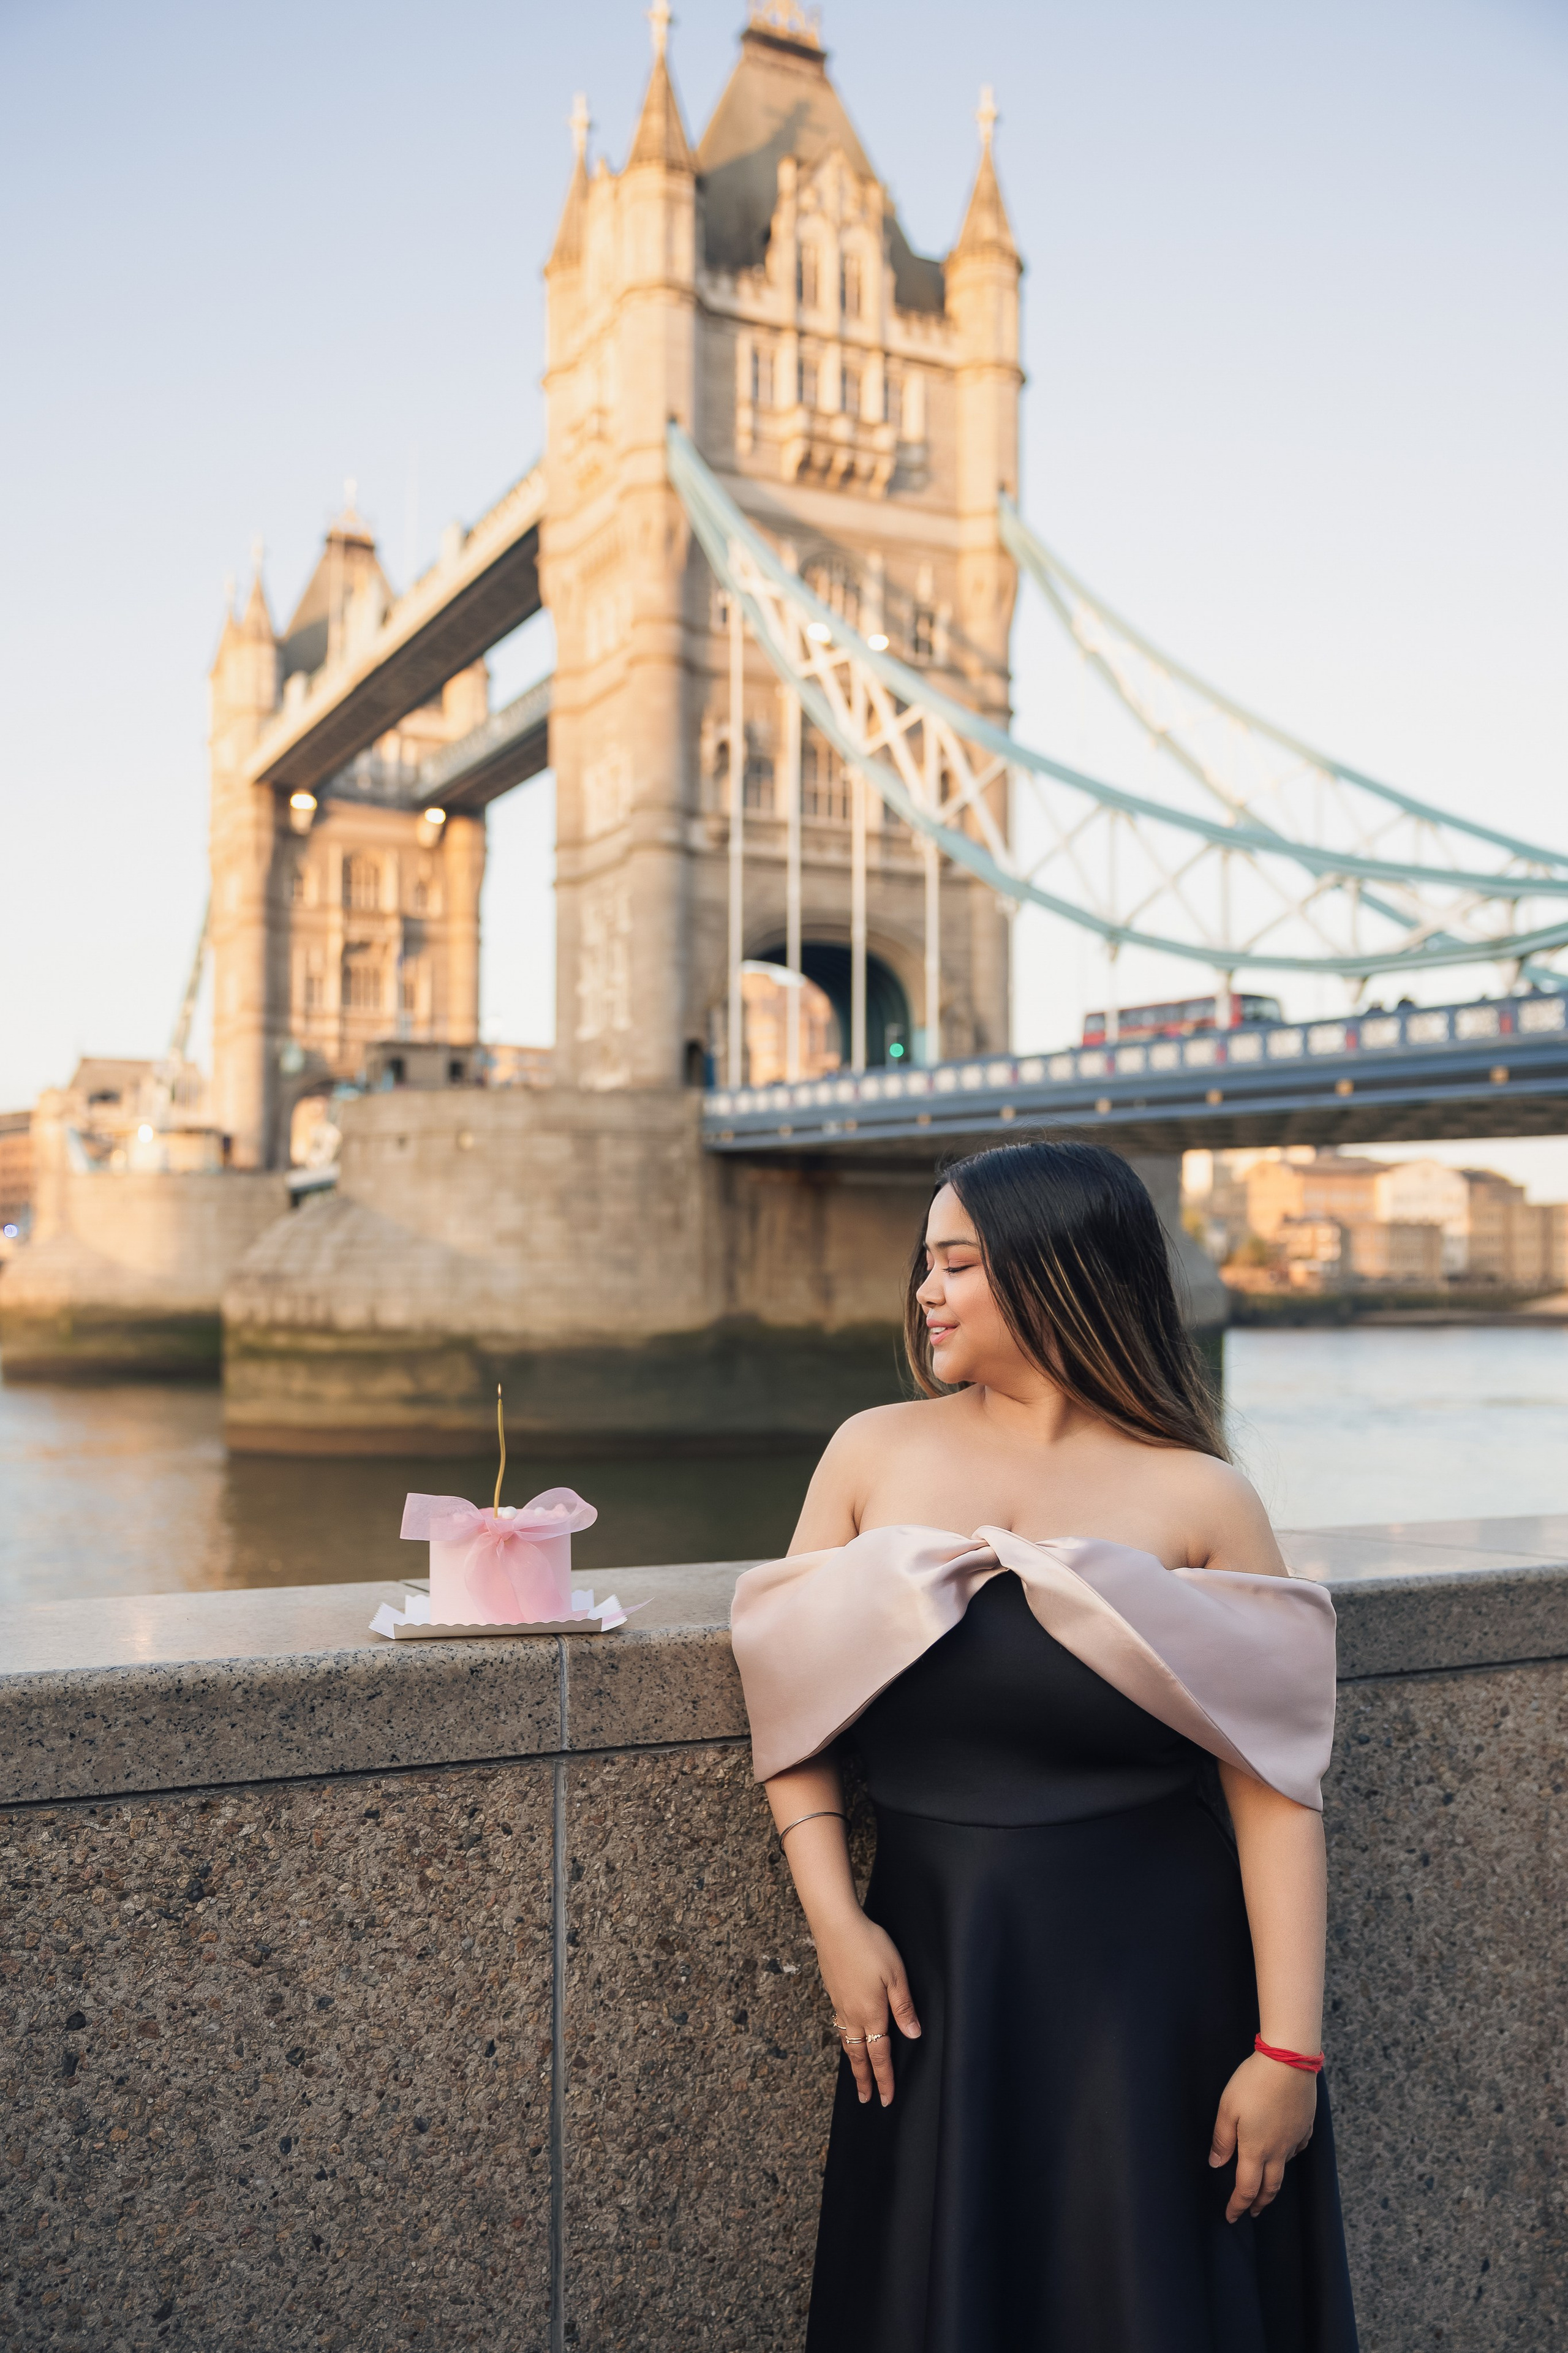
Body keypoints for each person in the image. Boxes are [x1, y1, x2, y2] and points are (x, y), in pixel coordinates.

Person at [729, 1140, 1359, 2352]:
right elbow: (789, 1708)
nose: (925, 1289)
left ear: (1057, 1271)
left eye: (958, 1262)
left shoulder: (1202, 1497)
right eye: (925, 1262)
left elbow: (1276, 1792)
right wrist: (833, 1921)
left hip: (1159, 1994)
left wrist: (1286, 2049)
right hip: (939, 1974)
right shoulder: (870, 1451)